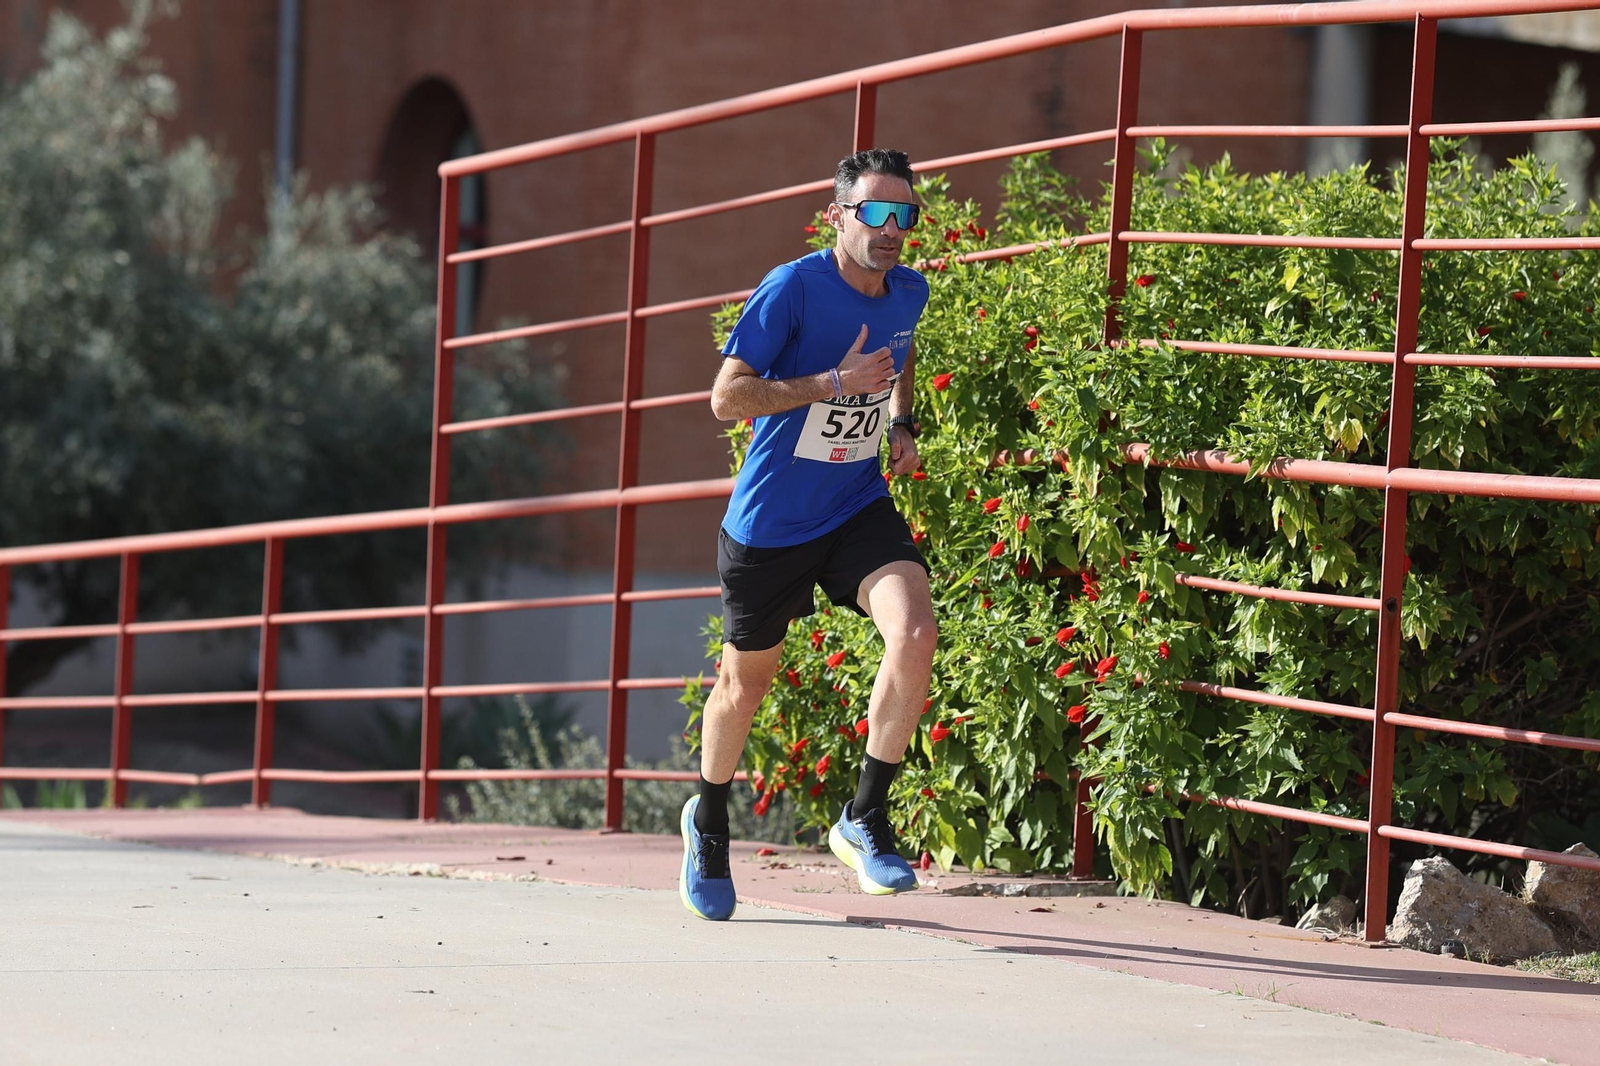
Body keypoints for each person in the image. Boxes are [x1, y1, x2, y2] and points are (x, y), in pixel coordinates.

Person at [680, 148, 937, 921]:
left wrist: (901, 420)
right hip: (772, 526)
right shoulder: (792, 288)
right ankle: (709, 820)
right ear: (839, 216)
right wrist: (830, 384)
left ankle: (864, 817)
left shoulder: (909, 291)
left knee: (916, 629)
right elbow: (726, 399)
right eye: (876, 213)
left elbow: (901, 349)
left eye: (906, 215)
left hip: (856, 505)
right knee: (742, 687)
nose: (892, 230)